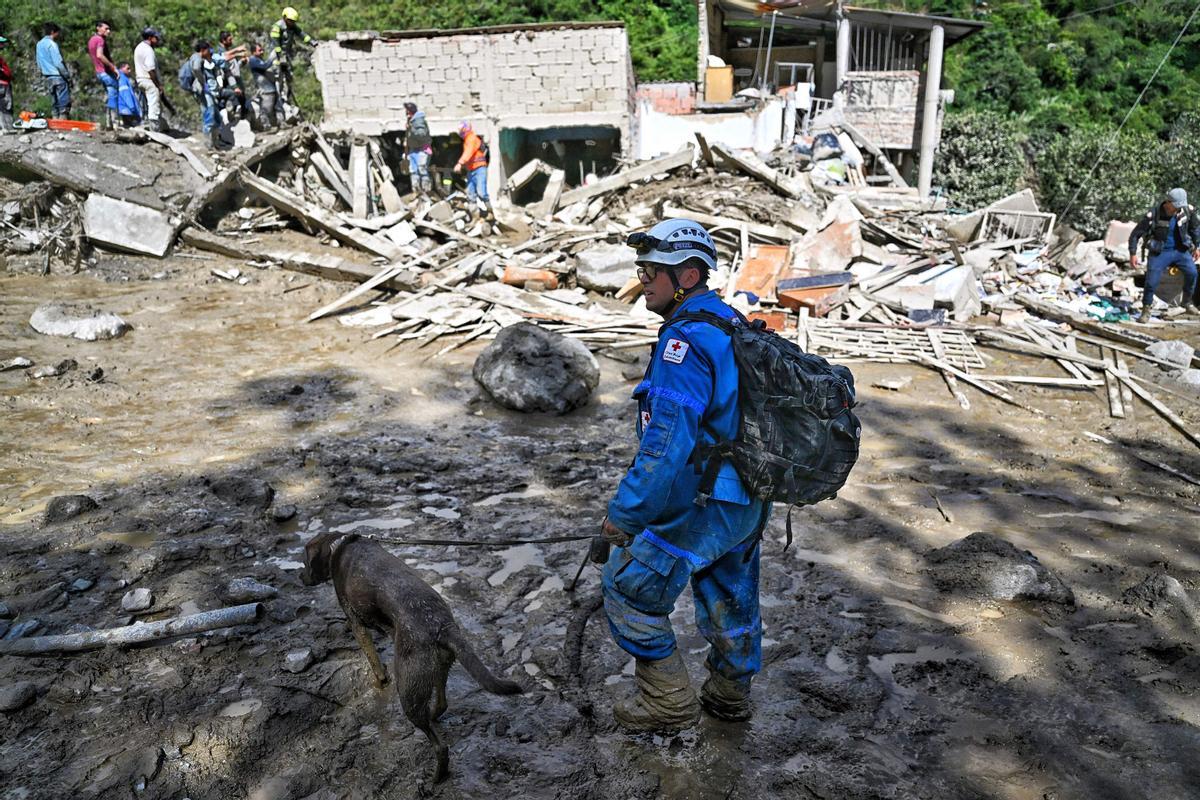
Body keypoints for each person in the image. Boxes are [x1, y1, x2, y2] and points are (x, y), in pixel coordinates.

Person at [598, 218, 770, 731]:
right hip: (748, 496)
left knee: (628, 589)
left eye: (653, 271)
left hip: (704, 500)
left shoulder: (685, 342)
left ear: (688, 276)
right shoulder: (729, 322)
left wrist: (622, 517)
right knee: (730, 592)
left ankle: (667, 702)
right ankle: (729, 696)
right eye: (642, 269)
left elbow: (665, 446)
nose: (643, 280)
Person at [1129, 187, 1200, 322]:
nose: (1178, 209)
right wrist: (1133, 253)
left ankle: (1187, 302)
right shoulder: (1154, 214)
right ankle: (1146, 310)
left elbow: (1195, 228)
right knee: (1151, 281)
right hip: (1160, 252)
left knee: (1192, 273)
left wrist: (1197, 246)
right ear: (1168, 202)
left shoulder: (1186, 211)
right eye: (1175, 206)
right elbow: (1135, 234)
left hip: (1181, 251)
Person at [269, 7, 315, 113]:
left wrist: (312, 42)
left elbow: (301, 34)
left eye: (293, 21)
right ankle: (277, 101)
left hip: (286, 54)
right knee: (278, 78)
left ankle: (287, 99)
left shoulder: (292, 27)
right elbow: (275, 43)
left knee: (289, 77)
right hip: (276, 55)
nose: (292, 23)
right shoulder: (277, 26)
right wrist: (281, 57)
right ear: (284, 18)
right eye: (290, 21)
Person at [188, 40, 223, 150]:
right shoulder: (196, 58)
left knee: (215, 115)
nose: (210, 52)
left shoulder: (200, 58)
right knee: (210, 112)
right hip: (203, 91)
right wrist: (203, 82)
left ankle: (215, 142)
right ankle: (209, 144)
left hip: (205, 91)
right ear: (203, 50)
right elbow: (196, 68)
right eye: (208, 49)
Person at [36, 23, 72, 119]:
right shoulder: (52, 44)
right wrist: (66, 75)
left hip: (48, 76)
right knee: (63, 100)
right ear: (52, 32)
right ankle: (63, 120)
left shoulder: (39, 44)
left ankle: (54, 119)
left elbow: (39, 62)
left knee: (54, 100)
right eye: (57, 33)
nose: (58, 35)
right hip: (58, 76)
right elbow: (58, 62)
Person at [87, 20, 119, 129]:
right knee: (113, 96)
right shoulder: (100, 40)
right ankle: (115, 124)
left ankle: (108, 123)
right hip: (106, 73)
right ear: (98, 28)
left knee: (109, 96)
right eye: (106, 29)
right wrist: (112, 67)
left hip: (98, 72)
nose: (108, 31)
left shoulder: (92, 40)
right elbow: (99, 55)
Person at [453, 121, 489, 213]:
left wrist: (460, 163)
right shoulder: (467, 140)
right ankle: (475, 214)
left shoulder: (471, 138)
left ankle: (490, 211)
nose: (460, 132)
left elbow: (469, 152)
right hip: (471, 170)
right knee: (470, 193)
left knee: (481, 193)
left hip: (479, 168)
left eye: (461, 130)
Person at [134, 28, 166, 132]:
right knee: (154, 107)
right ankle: (155, 132)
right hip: (148, 80)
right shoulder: (148, 50)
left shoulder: (139, 47)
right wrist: (158, 85)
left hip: (140, 80)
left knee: (150, 105)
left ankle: (160, 128)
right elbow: (151, 70)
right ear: (150, 38)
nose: (157, 40)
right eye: (156, 38)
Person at [215, 31, 249, 120]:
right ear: (223, 40)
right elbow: (224, 58)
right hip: (226, 82)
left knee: (241, 102)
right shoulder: (219, 51)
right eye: (230, 39)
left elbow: (233, 67)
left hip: (234, 80)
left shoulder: (227, 51)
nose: (231, 41)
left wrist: (241, 62)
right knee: (229, 104)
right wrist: (237, 51)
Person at [247, 43, 279, 130]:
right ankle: (266, 126)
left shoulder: (258, 59)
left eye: (262, 50)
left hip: (269, 88)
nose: (262, 52)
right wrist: (272, 58)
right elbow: (264, 66)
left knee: (272, 108)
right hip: (265, 90)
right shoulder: (253, 60)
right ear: (253, 52)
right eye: (259, 50)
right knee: (266, 109)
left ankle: (274, 124)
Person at [405, 102, 432, 196]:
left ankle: (426, 191)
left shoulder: (418, 120)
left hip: (422, 149)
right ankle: (416, 192)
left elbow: (421, 134)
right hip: (414, 149)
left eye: (407, 111)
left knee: (422, 170)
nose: (406, 113)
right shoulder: (412, 120)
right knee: (413, 171)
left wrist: (411, 129)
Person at [115, 62, 141, 128]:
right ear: (121, 69)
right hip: (128, 110)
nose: (130, 70)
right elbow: (126, 94)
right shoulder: (122, 79)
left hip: (125, 109)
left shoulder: (122, 78)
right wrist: (132, 107)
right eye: (128, 68)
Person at [0, 37, 13, 130]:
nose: (2, 45)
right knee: (6, 104)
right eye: (1, 43)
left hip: (4, 82)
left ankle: (4, 126)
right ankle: (7, 127)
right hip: (2, 84)